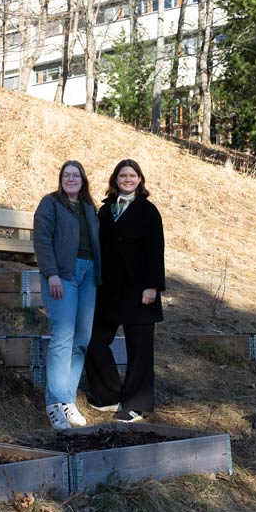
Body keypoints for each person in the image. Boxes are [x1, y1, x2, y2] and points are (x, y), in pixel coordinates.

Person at [85, 159, 165, 423]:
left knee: (139, 350)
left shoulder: (148, 211)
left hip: (140, 290)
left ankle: (134, 405)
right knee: (94, 340)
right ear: (115, 179)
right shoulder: (105, 211)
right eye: (123, 175)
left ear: (140, 180)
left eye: (132, 175)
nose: (127, 179)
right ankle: (108, 396)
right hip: (108, 290)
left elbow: (156, 249)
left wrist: (152, 286)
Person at [32, 160, 102, 431]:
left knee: (81, 340)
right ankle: (55, 404)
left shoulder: (88, 208)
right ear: (60, 179)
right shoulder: (50, 204)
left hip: (88, 276)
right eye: (66, 175)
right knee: (63, 337)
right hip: (63, 275)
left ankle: (68, 402)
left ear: (83, 180)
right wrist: (51, 274)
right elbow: (42, 239)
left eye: (76, 175)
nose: (71, 179)